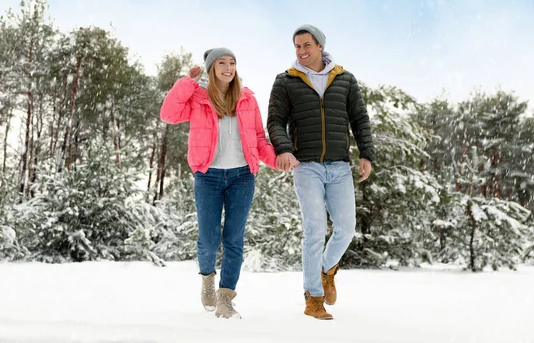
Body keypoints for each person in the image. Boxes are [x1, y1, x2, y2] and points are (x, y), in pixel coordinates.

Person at [160, 47, 291, 319]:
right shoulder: (197, 97)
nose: (228, 67)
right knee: (208, 240)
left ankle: (225, 298)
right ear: (211, 68)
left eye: (232, 62)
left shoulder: (246, 98)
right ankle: (207, 276)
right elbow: (168, 114)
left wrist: (275, 160)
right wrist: (188, 81)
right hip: (208, 176)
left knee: (233, 239)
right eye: (222, 62)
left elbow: (258, 138)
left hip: (242, 176)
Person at [267, 25, 375, 320]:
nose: (301, 52)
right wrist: (284, 149)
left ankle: (327, 269)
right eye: (297, 47)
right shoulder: (286, 81)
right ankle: (313, 297)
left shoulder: (345, 79)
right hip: (306, 166)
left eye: (306, 46)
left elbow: (360, 120)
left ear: (319, 46)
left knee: (346, 228)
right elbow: (275, 121)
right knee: (315, 230)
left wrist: (366, 154)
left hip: (340, 166)